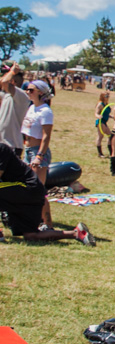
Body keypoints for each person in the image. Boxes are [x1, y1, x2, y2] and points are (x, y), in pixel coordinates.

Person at [0, 142, 95, 246]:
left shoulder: (2, 148)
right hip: (31, 193)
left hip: (27, 189)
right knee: (31, 235)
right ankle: (76, 233)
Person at [21, 80, 56, 227]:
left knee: (38, 190)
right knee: (28, 188)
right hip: (28, 151)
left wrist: (39, 156)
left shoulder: (45, 111)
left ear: (40, 92)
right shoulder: (31, 108)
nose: (28, 92)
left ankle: (47, 223)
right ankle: (34, 219)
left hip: (37, 153)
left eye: (31, 90)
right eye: (27, 90)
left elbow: (46, 136)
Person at [0, 63, 30, 157]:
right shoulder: (6, 96)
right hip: (4, 144)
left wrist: (12, 71)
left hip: (11, 145)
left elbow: (4, 81)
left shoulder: (22, 96)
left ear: (12, 81)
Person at [94, 91, 110, 158]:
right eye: (106, 96)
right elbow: (96, 113)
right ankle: (100, 153)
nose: (107, 97)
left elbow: (106, 113)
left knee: (110, 135)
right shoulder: (100, 104)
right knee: (101, 136)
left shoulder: (106, 104)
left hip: (104, 121)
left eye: (108, 96)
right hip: (100, 122)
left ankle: (111, 151)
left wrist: (111, 116)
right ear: (102, 96)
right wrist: (99, 116)